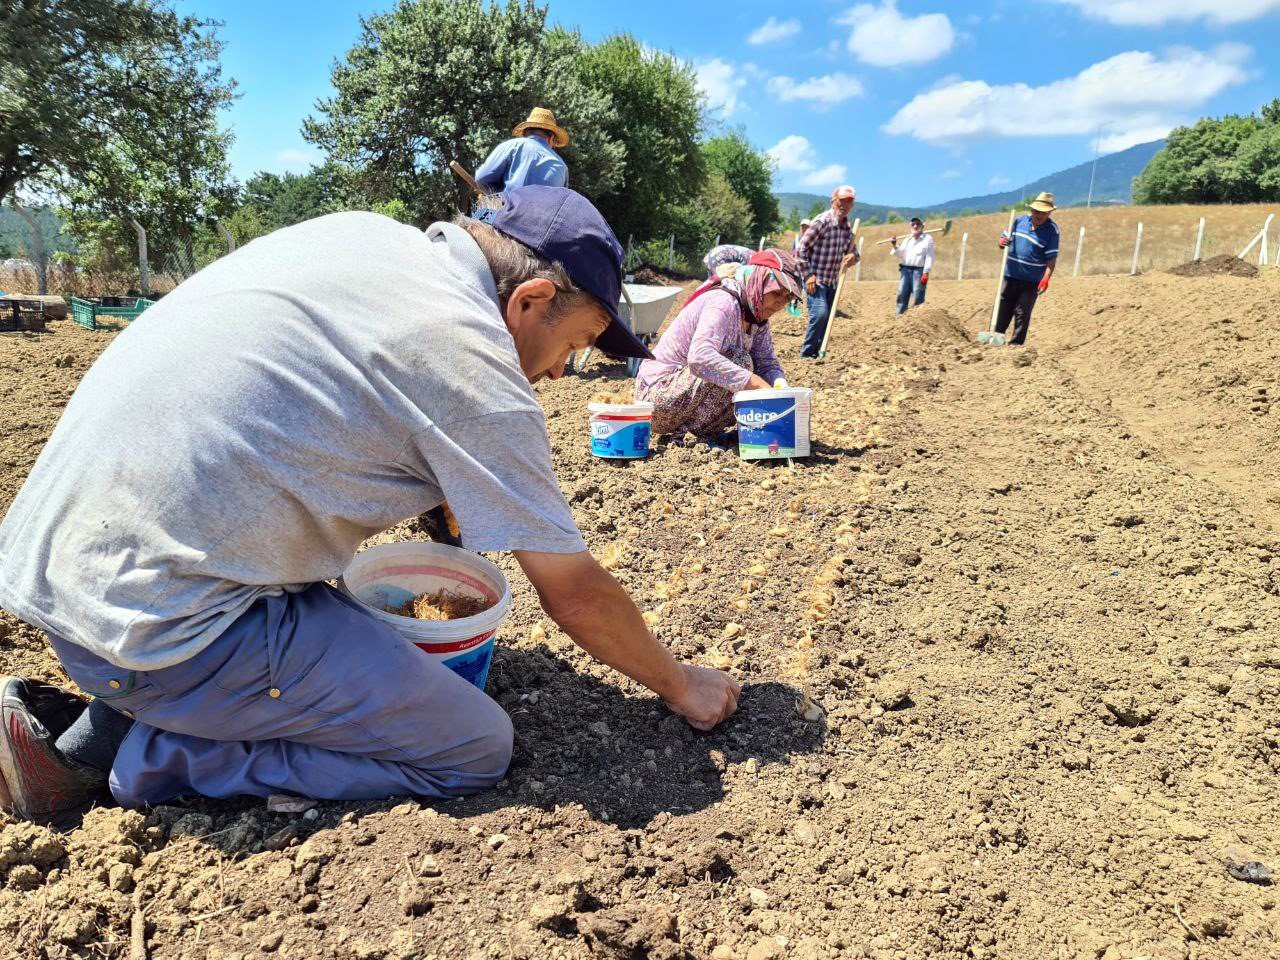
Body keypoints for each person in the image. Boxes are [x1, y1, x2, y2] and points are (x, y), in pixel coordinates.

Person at [0, 185, 742, 828]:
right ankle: (141, 755)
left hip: (57, 569)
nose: (555, 374)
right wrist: (681, 684)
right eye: (569, 345)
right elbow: (576, 597)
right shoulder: (471, 360)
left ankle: (126, 713)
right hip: (158, 634)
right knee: (475, 745)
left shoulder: (364, 238)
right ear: (532, 299)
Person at [635, 249, 803, 439]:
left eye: (787, 298)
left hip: (684, 398)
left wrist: (781, 387)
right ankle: (687, 437)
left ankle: (701, 433)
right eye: (776, 293)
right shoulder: (723, 302)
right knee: (741, 364)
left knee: (747, 373)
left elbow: (766, 361)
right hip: (658, 398)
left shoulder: (757, 316)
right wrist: (756, 384)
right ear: (758, 281)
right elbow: (700, 358)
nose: (780, 303)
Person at [796, 185, 859, 358]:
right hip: (815, 280)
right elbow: (801, 250)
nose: (844, 205)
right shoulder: (822, 221)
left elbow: (854, 253)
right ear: (833, 202)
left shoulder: (848, 228)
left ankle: (817, 353)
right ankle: (807, 354)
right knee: (820, 314)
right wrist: (808, 275)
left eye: (849, 202)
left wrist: (853, 257)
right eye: (841, 201)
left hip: (832, 281)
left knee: (827, 319)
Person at [995, 192, 1059, 345]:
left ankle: (1016, 346)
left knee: (1022, 312)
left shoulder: (1052, 231)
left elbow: (1051, 259)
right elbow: (1002, 239)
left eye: (1043, 213)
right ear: (1032, 210)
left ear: (1049, 213)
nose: (1039, 215)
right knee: (1003, 308)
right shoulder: (1019, 221)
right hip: (1010, 275)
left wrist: (1045, 279)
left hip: (1031, 280)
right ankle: (996, 339)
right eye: (1037, 211)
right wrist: (1002, 241)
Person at [474, 107, 570, 194]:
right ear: (551, 138)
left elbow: (481, 178)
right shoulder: (562, 166)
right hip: (542, 213)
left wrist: (496, 195)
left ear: (524, 132)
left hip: (507, 211)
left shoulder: (512, 146)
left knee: (480, 213)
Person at [889, 217, 935, 315]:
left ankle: (918, 319)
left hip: (919, 271)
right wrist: (894, 245)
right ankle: (899, 317)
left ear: (922, 226)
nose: (915, 226)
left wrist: (926, 272)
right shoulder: (907, 239)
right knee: (902, 294)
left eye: (918, 224)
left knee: (918, 295)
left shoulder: (928, 239)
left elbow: (930, 257)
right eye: (913, 224)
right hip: (905, 270)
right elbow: (900, 254)